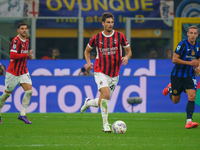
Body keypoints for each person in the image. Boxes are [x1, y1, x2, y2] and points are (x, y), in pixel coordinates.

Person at [80, 12, 132, 133]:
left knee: (102, 101)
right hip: (100, 71)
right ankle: (105, 124)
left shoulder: (120, 36)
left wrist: (126, 57)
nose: (110, 24)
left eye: (112, 22)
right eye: (108, 22)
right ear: (103, 23)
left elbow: (129, 51)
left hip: (114, 74)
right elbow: (87, 51)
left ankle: (88, 103)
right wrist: (88, 63)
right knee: (106, 95)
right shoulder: (96, 38)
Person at [163, 25, 200, 129]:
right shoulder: (182, 44)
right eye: (191, 33)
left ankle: (189, 121)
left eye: (195, 33)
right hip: (177, 76)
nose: (193, 35)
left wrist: (199, 67)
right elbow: (174, 59)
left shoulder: (197, 46)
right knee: (175, 100)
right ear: (187, 34)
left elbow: (198, 58)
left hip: (189, 75)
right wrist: (189, 63)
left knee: (192, 96)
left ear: (197, 35)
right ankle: (170, 88)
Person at [0, 22, 33, 124]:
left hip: (23, 71)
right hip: (13, 72)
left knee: (29, 91)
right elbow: (13, 56)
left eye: (25, 28)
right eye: (22, 29)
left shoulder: (27, 41)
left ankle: (22, 114)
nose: (24, 30)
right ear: (18, 30)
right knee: (6, 95)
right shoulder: (15, 41)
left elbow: (23, 55)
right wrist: (26, 55)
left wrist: (28, 56)